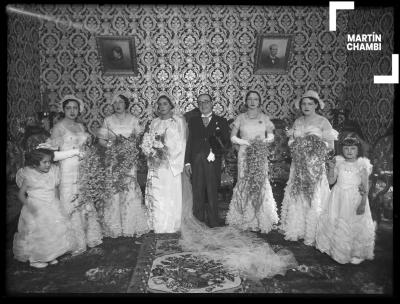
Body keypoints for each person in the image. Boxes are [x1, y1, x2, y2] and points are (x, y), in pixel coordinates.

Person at [279, 90, 338, 246]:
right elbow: (290, 143)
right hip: (298, 164)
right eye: (304, 104)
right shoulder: (297, 122)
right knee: (297, 193)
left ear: (316, 105)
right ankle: (297, 229)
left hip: (314, 165)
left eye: (310, 104)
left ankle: (314, 231)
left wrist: (313, 146)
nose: (306, 106)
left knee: (314, 195)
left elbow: (331, 147)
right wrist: (297, 145)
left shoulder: (323, 122)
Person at [50, 94, 103, 255]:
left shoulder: (80, 126)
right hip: (67, 169)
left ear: (79, 110)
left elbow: (85, 148)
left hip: (82, 168)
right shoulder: (58, 127)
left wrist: (88, 157)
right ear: (63, 110)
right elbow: (53, 154)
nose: (72, 111)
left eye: (75, 108)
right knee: (69, 200)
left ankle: (88, 236)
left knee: (83, 199)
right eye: (68, 108)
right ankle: (72, 242)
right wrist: (74, 152)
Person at [315, 133, 376, 264]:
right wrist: (331, 169)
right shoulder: (339, 163)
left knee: (351, 223)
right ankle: (335, 249)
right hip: (337, 197)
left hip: (354, 198)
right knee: (336, 221)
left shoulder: (361, 165)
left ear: (358, 150)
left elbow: (365, 188)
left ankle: (352, 251)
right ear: (342, 150)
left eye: (353, 149)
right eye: (346, 149)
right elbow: (331, 180)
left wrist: (363, 204)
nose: (349, 151)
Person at [97, 93, 150, 238]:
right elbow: (101, 140)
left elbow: (140, 139)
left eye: (120, 102)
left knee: (128, 189)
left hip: (128, 160)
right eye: (115, 103)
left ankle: (129, 225)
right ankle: (114, 226)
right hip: (113, 160)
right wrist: (111, 146)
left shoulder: (133, 120)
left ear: (126, 104)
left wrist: (129, 147)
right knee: (114, 191)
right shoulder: (108, 120)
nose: (118, 105)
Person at [13, 148, 76, 268]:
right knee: (40, 233)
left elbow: (55, 189)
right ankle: (36, 259)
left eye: (49, 162)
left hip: (52, 205)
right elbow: (21, 195)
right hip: (36, 207)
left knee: (53, 231)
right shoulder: (29, 175)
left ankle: (50, 255)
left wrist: (58, 204)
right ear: (35, 163)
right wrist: (30, 207)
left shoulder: (53, 171)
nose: (48, 165)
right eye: (44, 162)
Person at [226, 90, 278, 233]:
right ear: (246, 101)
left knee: (260, 182)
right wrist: (247, 142)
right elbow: (233, 138)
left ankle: (261, 217)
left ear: (259, 101)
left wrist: (263, 142)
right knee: (244, 181)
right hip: (244, 153)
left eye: (255, 99)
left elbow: (271, 136)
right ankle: (243, 217)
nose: (252, 101)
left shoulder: (265, 118)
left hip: (260, 153)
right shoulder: (240, 118)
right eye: (250, 99)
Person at [184, 93, 230, 228]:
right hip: (196, 161)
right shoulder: (192, 121)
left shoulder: (221, 121)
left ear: (211, 103)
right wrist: (187, 162)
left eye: (206, 101)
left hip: (212, 162)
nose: (203, 105)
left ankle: (213, 223)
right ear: (198, 106)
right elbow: (189, 142)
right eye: (200, 103)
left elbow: (226, 144)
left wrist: (215, 152)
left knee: (211, 192)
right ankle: (198, 223)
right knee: (197, 193)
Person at [143, 95, 186, 233]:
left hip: (171, 163)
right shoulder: (154, 122)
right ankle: (157, 223)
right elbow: (148, 140)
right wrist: (151, 151)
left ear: (171, 106)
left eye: (165, 104)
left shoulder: (177, 121)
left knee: (169, 192)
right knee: (156, 192)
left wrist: (168, 154)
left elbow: (182, 142)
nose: (162, 107)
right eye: (160, 104)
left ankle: (171, 223)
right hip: (156, 163)